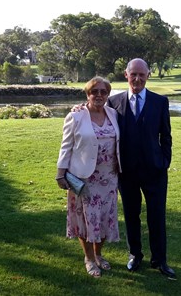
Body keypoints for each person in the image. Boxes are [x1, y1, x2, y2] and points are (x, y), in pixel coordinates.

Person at [106, 58, 175, 280]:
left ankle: (160, 260)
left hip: (155, 171)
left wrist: (165, 161)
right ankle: (135, 255)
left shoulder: (160, 102)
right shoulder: (112, 102)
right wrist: (81, 108)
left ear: (148, 75)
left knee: (157, 216)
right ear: (126, 75)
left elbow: (166, 135)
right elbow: (98, 120)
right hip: (126, 172)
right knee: (131, 215)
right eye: (133, 74)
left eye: (141, 74)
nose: (137, 79)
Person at [56, 76, 121, 278]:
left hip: (109, 177)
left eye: (103, 92)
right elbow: (66, 146)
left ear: (108, 94)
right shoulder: (75, 117)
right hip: (84, 178)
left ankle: (99, 254)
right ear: (87, 94)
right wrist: (61, 173)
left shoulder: (113, 114)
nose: (99, 95)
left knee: (103, 219)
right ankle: (89, 259)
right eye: (94, 92)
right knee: (85, 219)